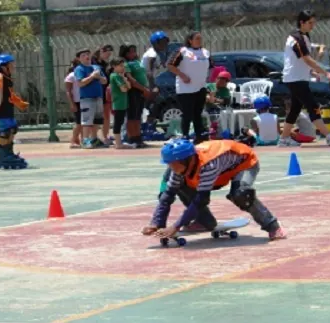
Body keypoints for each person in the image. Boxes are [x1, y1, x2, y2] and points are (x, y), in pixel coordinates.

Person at [142, 138, 286, 240]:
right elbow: (167, 195)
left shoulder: (208, 165)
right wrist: (157, 223)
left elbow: (201, 199)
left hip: (244, 164)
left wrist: (175, 227)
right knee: (180, 186)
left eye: (173, 164)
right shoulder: (180, 167)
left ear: (187, 160)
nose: (171, 168)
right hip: (221, 171)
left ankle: (272, 226)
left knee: (241, 194)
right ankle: (205, 221)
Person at [279, 9, 330, 147]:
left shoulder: (304, 36)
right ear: (302, 22)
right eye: (310, 23)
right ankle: (329, 136)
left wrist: (311, 73)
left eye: (314, 23)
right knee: (312, 106)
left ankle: (283, 139)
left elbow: (297, 61)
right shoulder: (297, 38)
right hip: (295, 79)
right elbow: (307, 59)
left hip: (297, 78)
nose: (312, 26)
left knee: (296, 109)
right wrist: (327, 73)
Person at [167, 31, 213, 144]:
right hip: (185, 88)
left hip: (201, 87)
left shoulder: (205, 52)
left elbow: (211, 67)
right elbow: (170, 65)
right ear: (190, 40)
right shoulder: (182, 51)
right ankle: (185, 135)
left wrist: (208, 83)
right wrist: (182, 75)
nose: (199, 41)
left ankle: (199, 136)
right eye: (197, 39)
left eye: (200, 39)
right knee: (187, 113)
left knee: (198, 113)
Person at [74, 48, 109, 148]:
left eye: (88, 54)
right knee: (87, 120)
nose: (86, 56)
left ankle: (94, 139)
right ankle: (85, 140)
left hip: (98, 97)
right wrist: (92, 77)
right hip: (87, 98)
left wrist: (99, 77)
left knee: (97, 120)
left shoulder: (96, 67)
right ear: (79, 59)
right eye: (83, 55)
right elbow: (80, 83)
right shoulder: (79, 69)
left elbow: (104, 81)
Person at [121, 43, 154, 148]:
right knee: (131, 116)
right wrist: (143, 89)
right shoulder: (125, 64)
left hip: (141, 91)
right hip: (133, 91)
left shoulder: (137, 62)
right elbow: (131, 79)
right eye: (129, 52)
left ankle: (138, 137)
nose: (132, 53)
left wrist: (147, 88)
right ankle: (132, 138)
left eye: (134, 51)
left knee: (138, 116)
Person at [141, 31, 170, 128]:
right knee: (150, 105)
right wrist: (152, 87)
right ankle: (146, 125)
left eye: (165, 42)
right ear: (155, 43)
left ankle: (149, 124)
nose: (164, 44)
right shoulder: (151, 55)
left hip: (153, 82)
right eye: (162, 42)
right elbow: (148, 73)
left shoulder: (158, 53)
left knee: (155, 104)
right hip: (147, 83)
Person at [109, 57, 136, 149]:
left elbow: (129, 87)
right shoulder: (115, 76)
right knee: (118, 123)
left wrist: (124, 79)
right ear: (114, 66)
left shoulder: (120, 76)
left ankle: (119, 142)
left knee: (120, 122)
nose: (123, 67)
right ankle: (118, 143)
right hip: (118, 103)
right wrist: (124, 84)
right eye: (120, 66)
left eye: (123, 66)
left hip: (123, 103)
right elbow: (124, 89)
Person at [92, 45, 114, 142]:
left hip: (105, 92)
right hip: (96, 92)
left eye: (109, 54)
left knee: (106, 115)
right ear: (101, 51)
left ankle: (105, 136)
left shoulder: (106, 64)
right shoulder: (92, 62)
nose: (108, 55)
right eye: (107, 53)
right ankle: (93, 137)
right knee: (95, 116)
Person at [64, 59, 82, 148]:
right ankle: (73, 141)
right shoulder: (71, 76)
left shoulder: (82, 74)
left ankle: (80, 140)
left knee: (83, 122)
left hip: (84, 100)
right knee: (78, 122)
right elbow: (68, 91)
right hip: (77, 101)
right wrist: (72, 103)